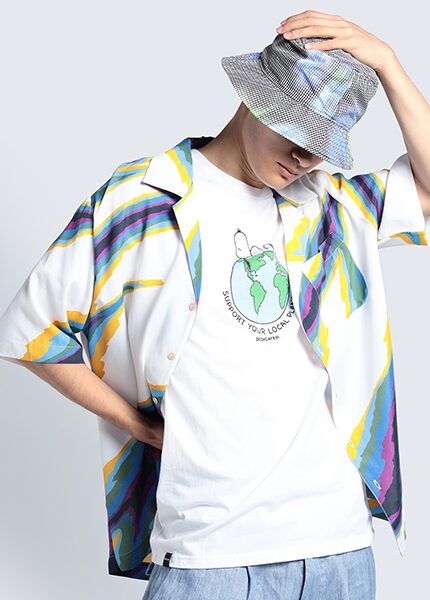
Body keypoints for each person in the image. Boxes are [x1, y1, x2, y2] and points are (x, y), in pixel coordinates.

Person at [0, 10, 429, 600]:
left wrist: (390, 64)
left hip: (339, 552)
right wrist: (138, 426)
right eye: (298, 132)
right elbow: (31, 335)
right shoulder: (139, 200)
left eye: (322, 145)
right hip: (208, 557)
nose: (306, 158)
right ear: (256, 97)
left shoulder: (333, 205)